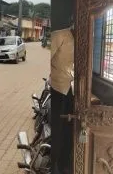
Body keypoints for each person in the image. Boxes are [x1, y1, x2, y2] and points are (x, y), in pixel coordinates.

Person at [50, 23, 75, 174]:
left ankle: (64, 163)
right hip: (57, 87)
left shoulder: (81, 39)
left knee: (68, 127)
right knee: (57, 129)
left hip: (69, 87)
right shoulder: (59, 35)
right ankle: (53, 166)